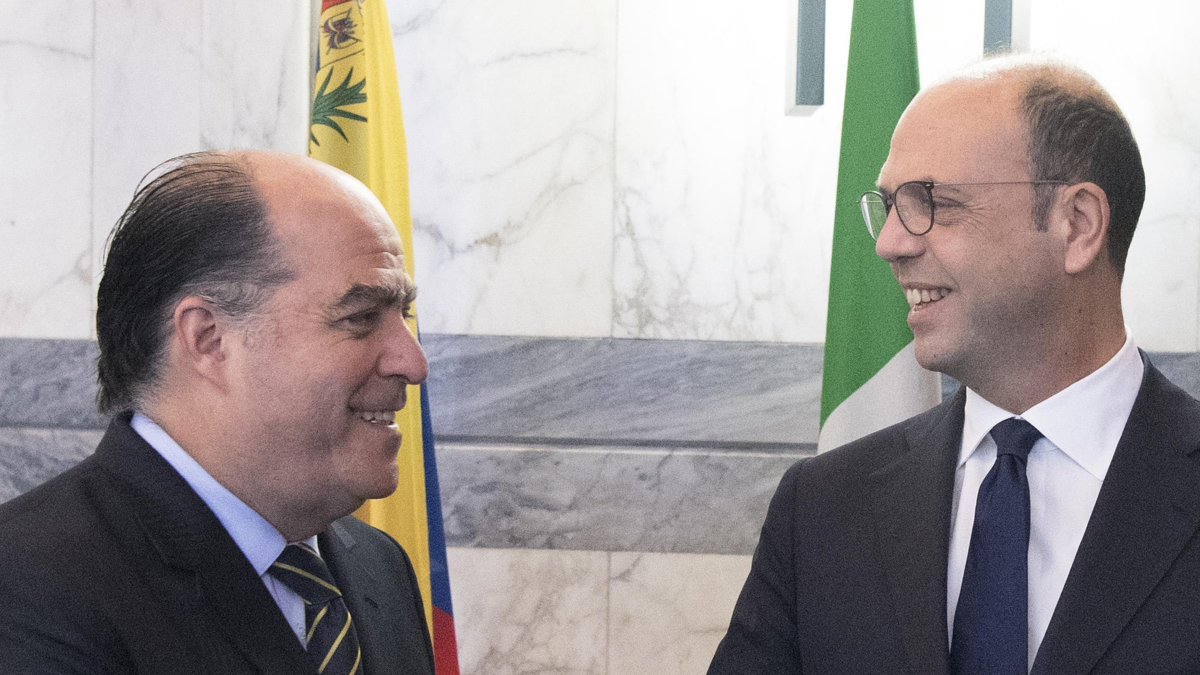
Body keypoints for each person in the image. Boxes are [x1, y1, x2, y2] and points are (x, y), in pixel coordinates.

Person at [710, 56, 1200, 674]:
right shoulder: (822, 509)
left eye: (933, 203)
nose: (889, 243)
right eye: (889, 205)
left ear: (1077, 224)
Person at [0, 150, 436, 675]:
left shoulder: (377, 565)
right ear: (207, 338)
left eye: (403, 313)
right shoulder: (25, 585)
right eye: (361, 317)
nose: (414, 363)